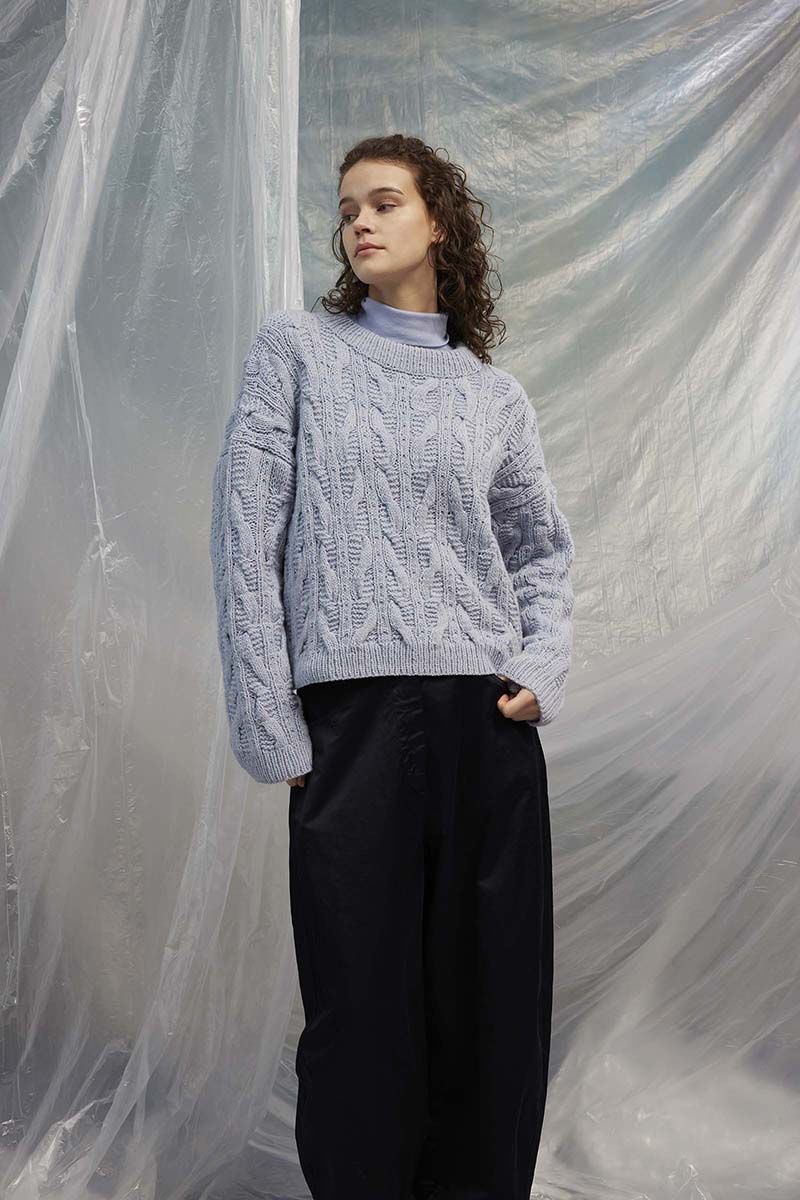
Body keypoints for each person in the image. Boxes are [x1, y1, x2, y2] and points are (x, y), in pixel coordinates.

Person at [209, 133, 575, 1200]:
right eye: (346, 211)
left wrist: (541, 665)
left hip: (484, 724)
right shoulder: (297, 350)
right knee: (358, 1006)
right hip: (350, 723)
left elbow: (540, 552)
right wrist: (268, 714)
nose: (358, 224)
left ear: (438, 222)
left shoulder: (491, 397)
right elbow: (245, 530)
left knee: (490, 1002)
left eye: (382, 203)